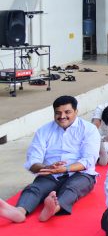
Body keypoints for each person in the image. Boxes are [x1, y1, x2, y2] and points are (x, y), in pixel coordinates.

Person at [0, 96, 100, 224]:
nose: (62, 116)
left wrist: (66, 169)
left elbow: (89, 160)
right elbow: (33, 160)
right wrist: (46, 168)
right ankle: (19, 212)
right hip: (51, 172)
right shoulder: (43, 131)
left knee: (71, 188)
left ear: (76, 112)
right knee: (35, 188)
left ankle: (54, 209)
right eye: (58, 113)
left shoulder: (89, 129)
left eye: (67, 112)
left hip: (81, 173)